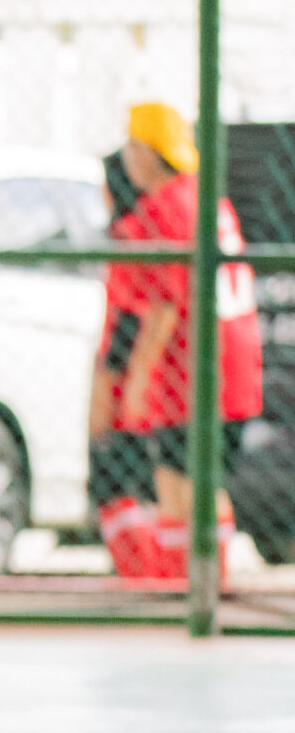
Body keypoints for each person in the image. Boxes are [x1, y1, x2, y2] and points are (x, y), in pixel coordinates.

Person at [99, 101, 259, 576]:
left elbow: (162, 308)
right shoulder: (209, 199)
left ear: (150, 152)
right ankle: (205, 584)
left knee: (178, 483)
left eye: (133, 146)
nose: (128, 158)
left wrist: (136, 380)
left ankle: (186, 587)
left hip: (191, 371)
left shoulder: (162, 206)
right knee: (203, 483)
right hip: (233, 364)